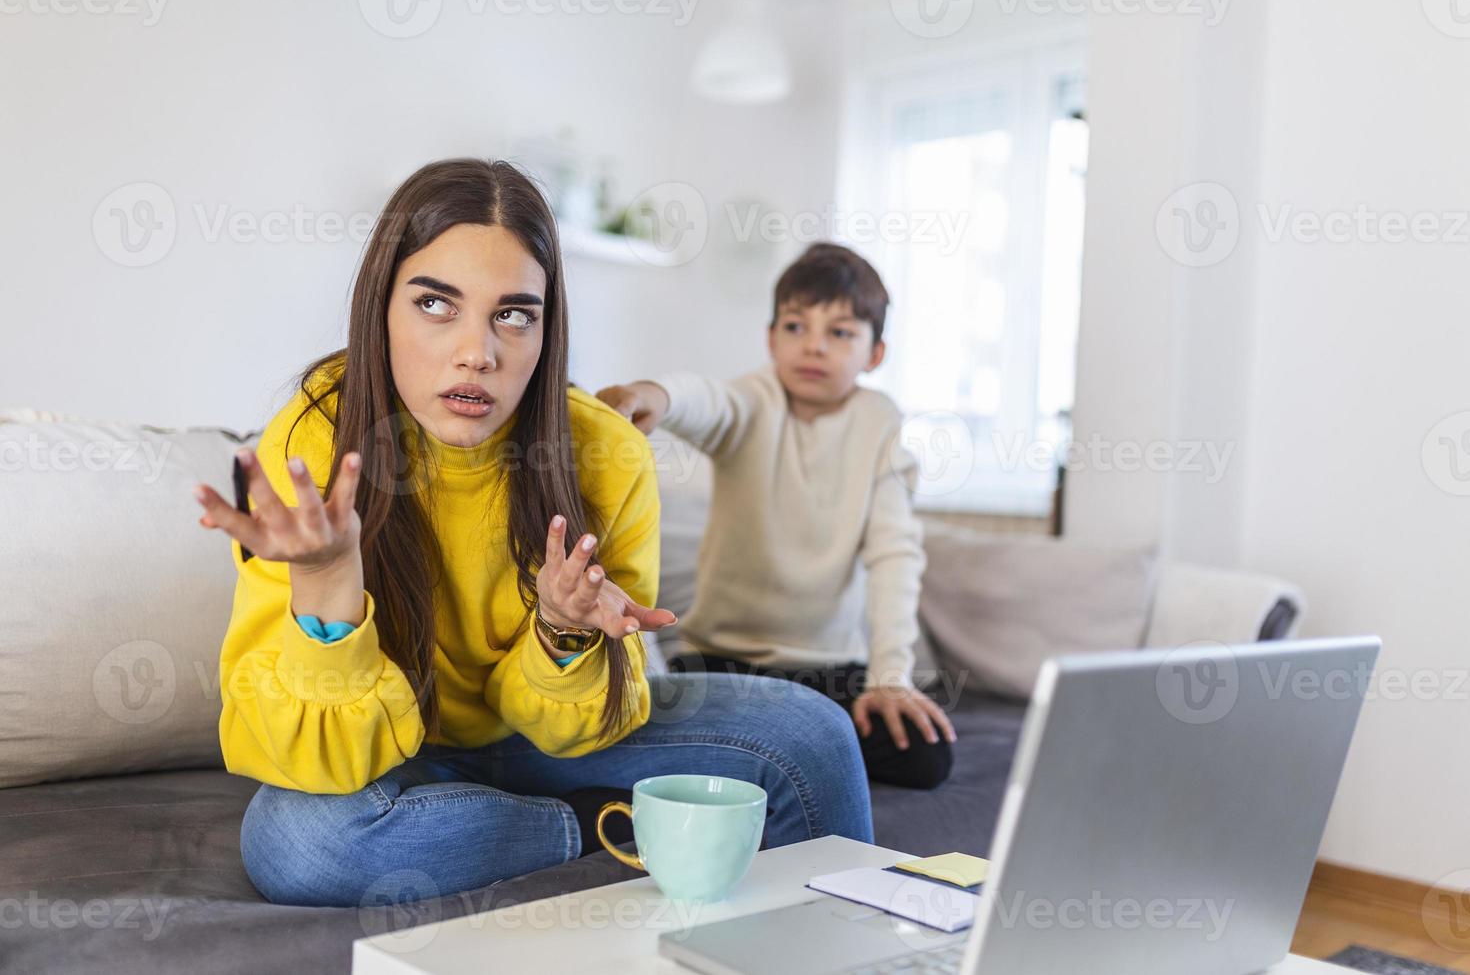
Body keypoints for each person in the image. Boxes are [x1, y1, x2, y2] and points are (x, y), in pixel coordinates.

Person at [192, 160, 872, 908]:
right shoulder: (314, 441)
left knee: (815, 732)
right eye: (435, 304)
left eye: (514, 314)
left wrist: (562, 633)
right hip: (396, 751)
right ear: (380, 306)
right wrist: (326, 586)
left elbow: (586, 722)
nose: (478, 352)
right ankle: (599, 825)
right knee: (302, 840)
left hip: (543, 741)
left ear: (548, 329)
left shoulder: (607, 456)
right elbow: (302, 752)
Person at [596, 242, 957, 791]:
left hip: (828, 670)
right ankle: (766, 758)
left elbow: (895, 556)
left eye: (839, 333)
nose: (813, 346)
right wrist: (657, 395)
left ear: (874, 354)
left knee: (926, 757)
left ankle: (768, 759)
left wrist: (890, 677)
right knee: (664, 727)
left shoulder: (879, 425)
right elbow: (707, 400)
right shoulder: (753, 402)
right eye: (795, 326)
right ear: (771, 339)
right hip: (722, 662)